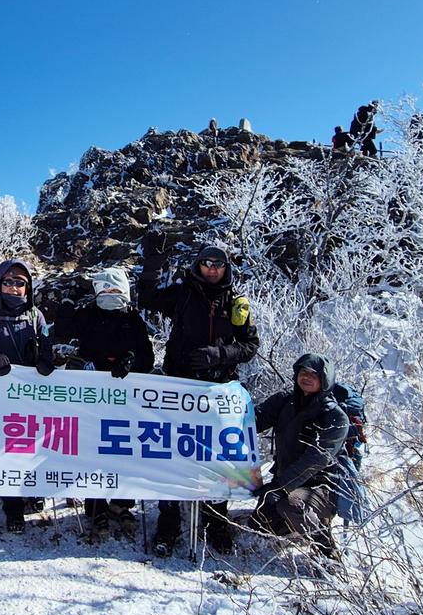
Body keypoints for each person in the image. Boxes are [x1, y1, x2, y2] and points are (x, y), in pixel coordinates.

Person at [138, 232, 259, 556]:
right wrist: (151, 266)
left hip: (218, 391)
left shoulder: (237, 303)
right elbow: (147, 299)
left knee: (218, 458)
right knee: (174, 454)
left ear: (226, 268)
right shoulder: (182, 294)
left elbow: (250, 346)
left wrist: (219, 355)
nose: (211, 269)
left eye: (217, 264)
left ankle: (217, 520)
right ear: (197, 265)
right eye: (206, 262)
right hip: (179, 387)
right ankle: (169, 524)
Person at [56, 267, 154, 541]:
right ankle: (96, 506)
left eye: (115, 290)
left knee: (125, 450)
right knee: (93, 451)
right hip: (92, 398)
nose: (110, 295)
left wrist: (132, 361)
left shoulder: (133, 320)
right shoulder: (86, 315)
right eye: (105, 289)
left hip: (125, 400)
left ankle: (122, 503)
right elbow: (66, 341)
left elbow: (148, 359)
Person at [0, 259, 55, 533]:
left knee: (33, 445)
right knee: (7, 450)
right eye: (8, 282)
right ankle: (13, 506)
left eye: (20, 283)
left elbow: (47, 344)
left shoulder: (36, 316)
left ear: (28, 288)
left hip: (32, 397)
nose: (14, 287)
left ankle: (35, 490)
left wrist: (45, 360)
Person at [250, 354, 349, 560]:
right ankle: (302, 524)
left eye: (314, 374)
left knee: (291, 504)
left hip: (321, 488)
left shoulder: (335, 417)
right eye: (303, 372)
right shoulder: (285, 401)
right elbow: (254, 421)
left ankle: (327, 552)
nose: (306, 377)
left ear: (325, 380)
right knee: (260, 523)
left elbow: (314, 461)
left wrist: (279, 488)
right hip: (286, 482)